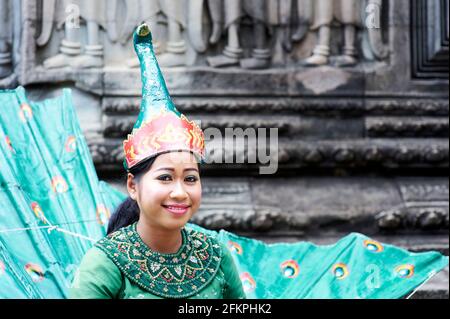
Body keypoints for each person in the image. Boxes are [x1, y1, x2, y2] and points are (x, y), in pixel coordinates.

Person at [68, 23, 245, 299]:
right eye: (165, 177)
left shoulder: (216, 255)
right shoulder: (105, 263)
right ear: (133, 186)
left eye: (190, 178)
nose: (180, 191)